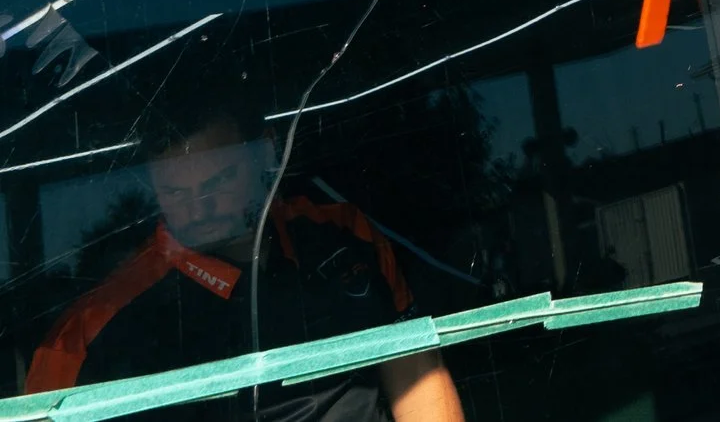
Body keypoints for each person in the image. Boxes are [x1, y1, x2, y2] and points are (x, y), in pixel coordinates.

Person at [25, 89, 463, 421]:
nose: (200, 210)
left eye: (218, 182)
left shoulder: (342, 235)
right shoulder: (92, 329)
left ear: (266, 152)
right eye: (175, 192)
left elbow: (418, 371)